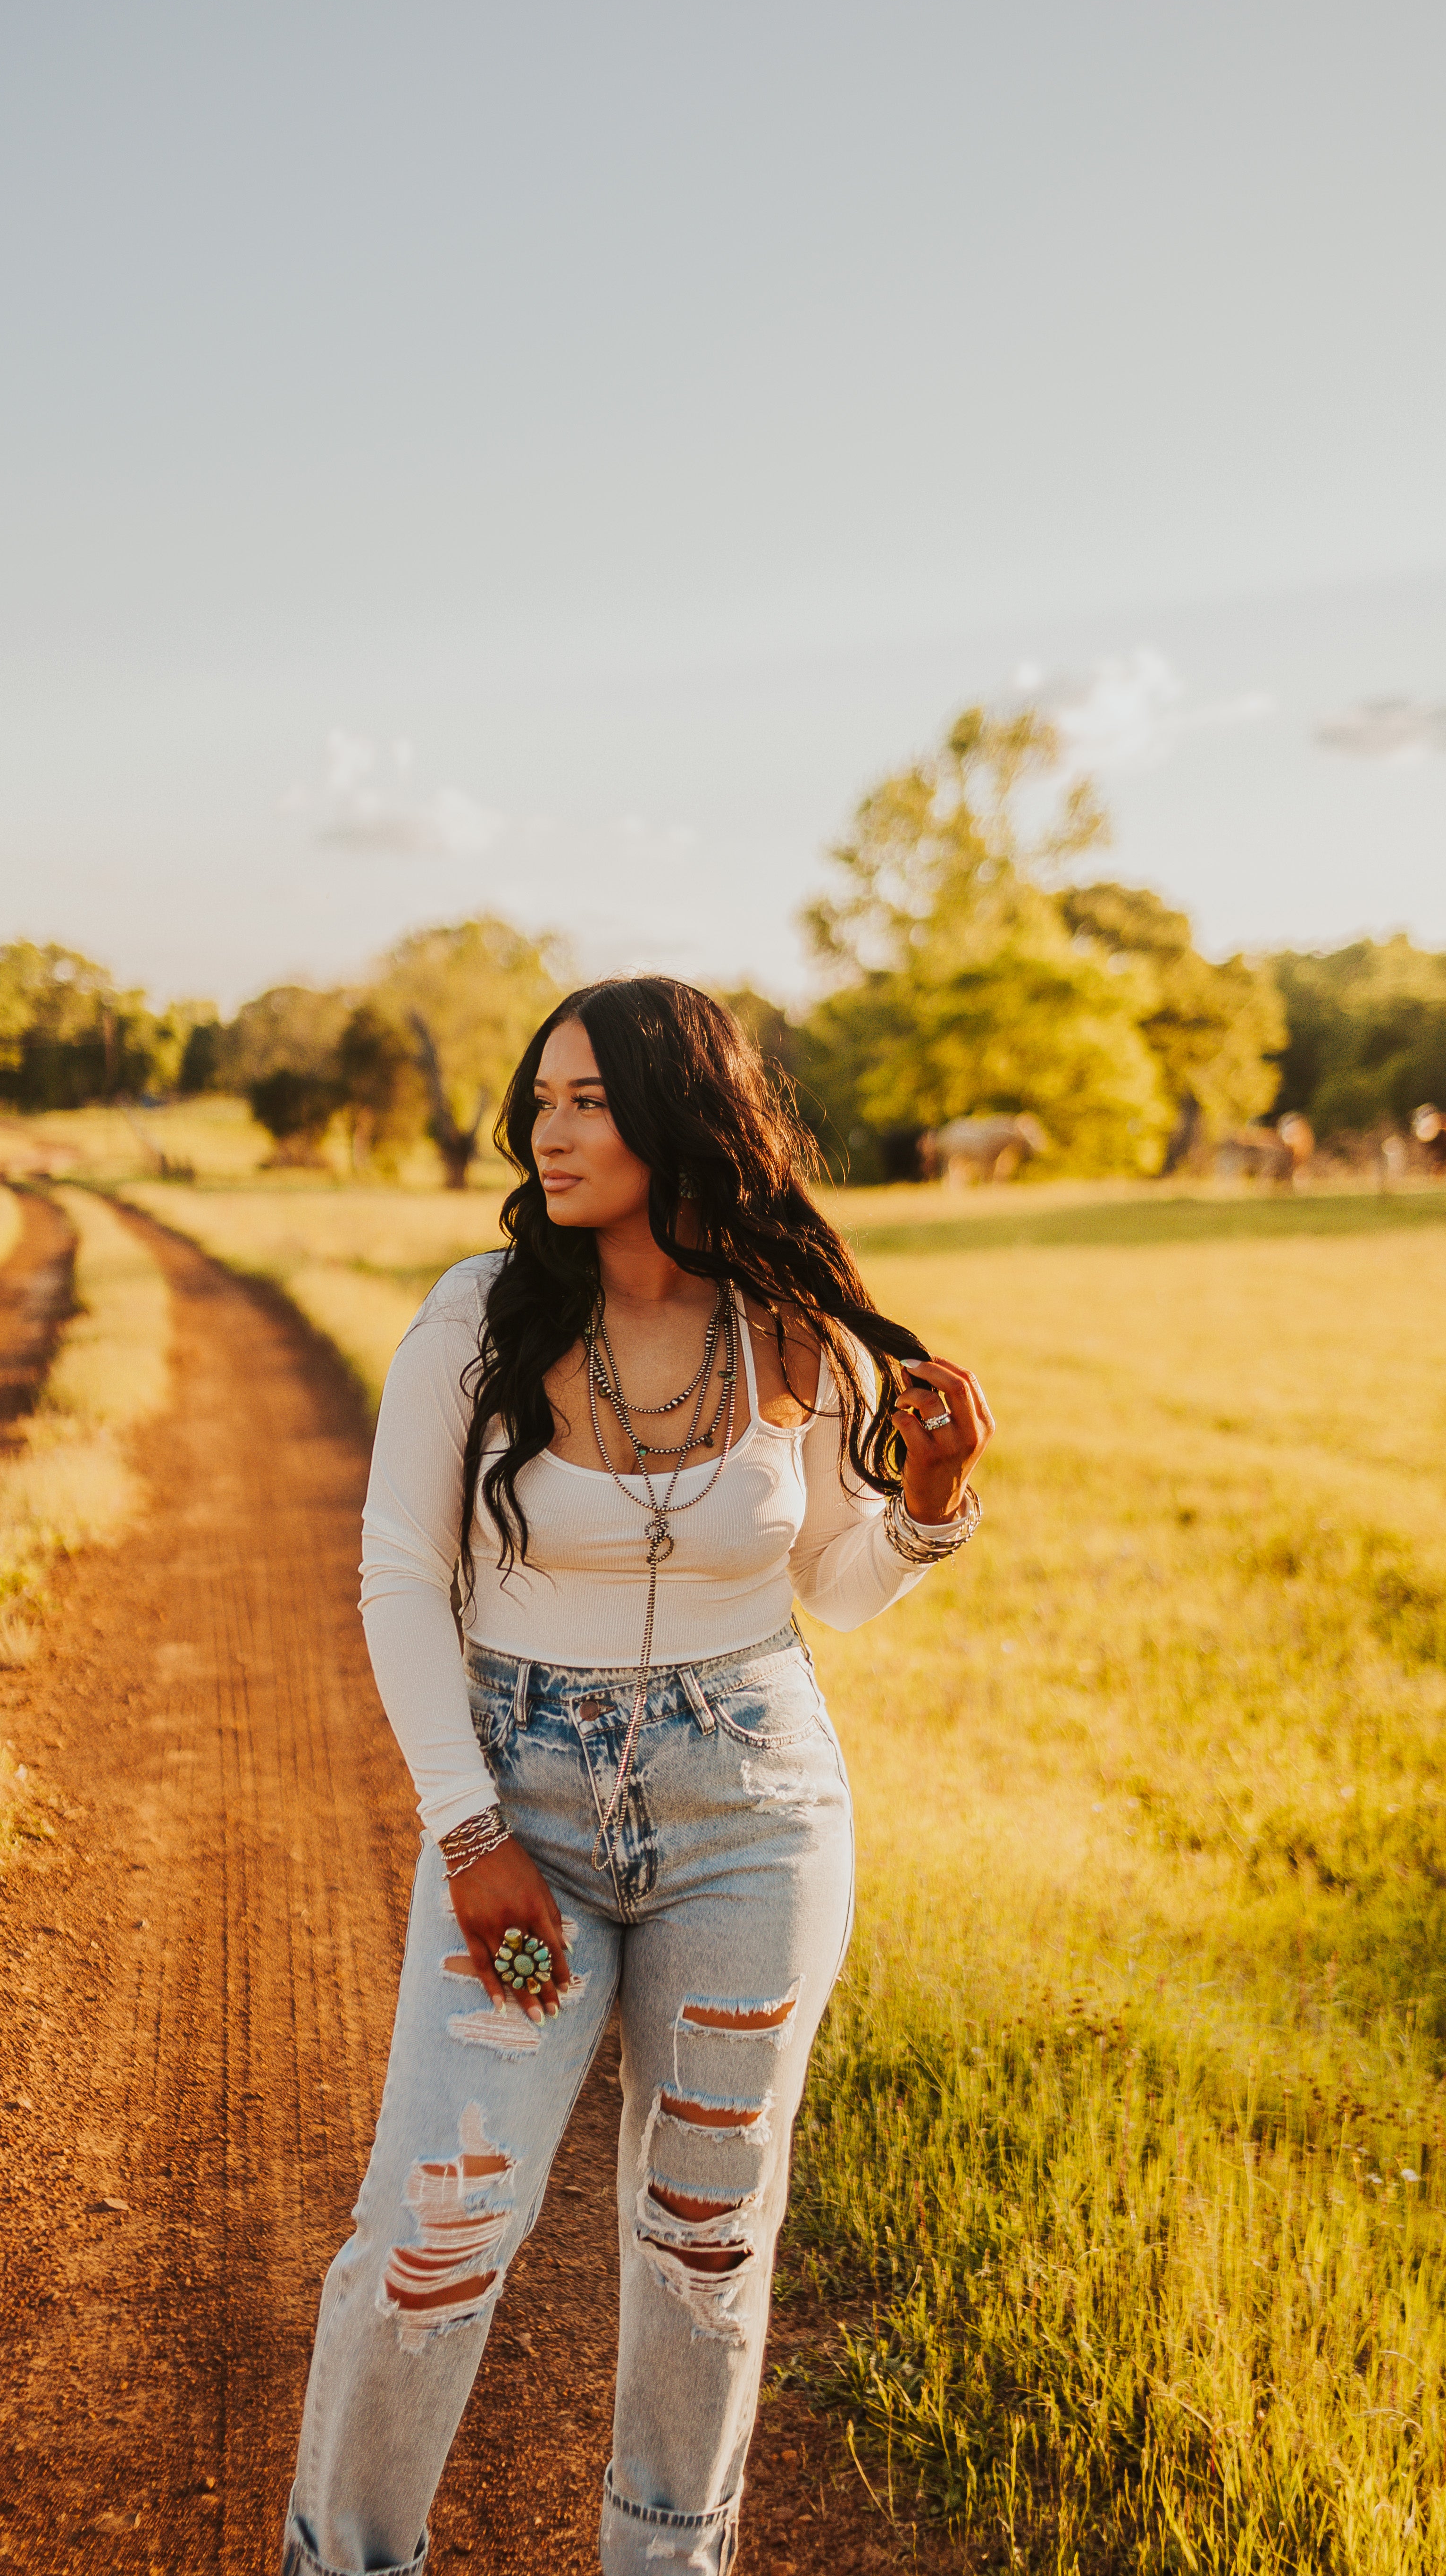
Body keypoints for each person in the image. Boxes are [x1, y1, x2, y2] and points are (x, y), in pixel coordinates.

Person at [282, 977, 993, 2576]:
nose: (551, 1132)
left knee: (706, 2241)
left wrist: (930, 1507)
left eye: (590, 1101)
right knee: (437, 2228)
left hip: (752, 1817)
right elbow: (398, 1580)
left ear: (685, 1113)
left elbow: (835, 1584)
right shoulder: (477, 1315)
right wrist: (471, 1834)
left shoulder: (788, 1325)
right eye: (541, 1102)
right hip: (520, 1805)